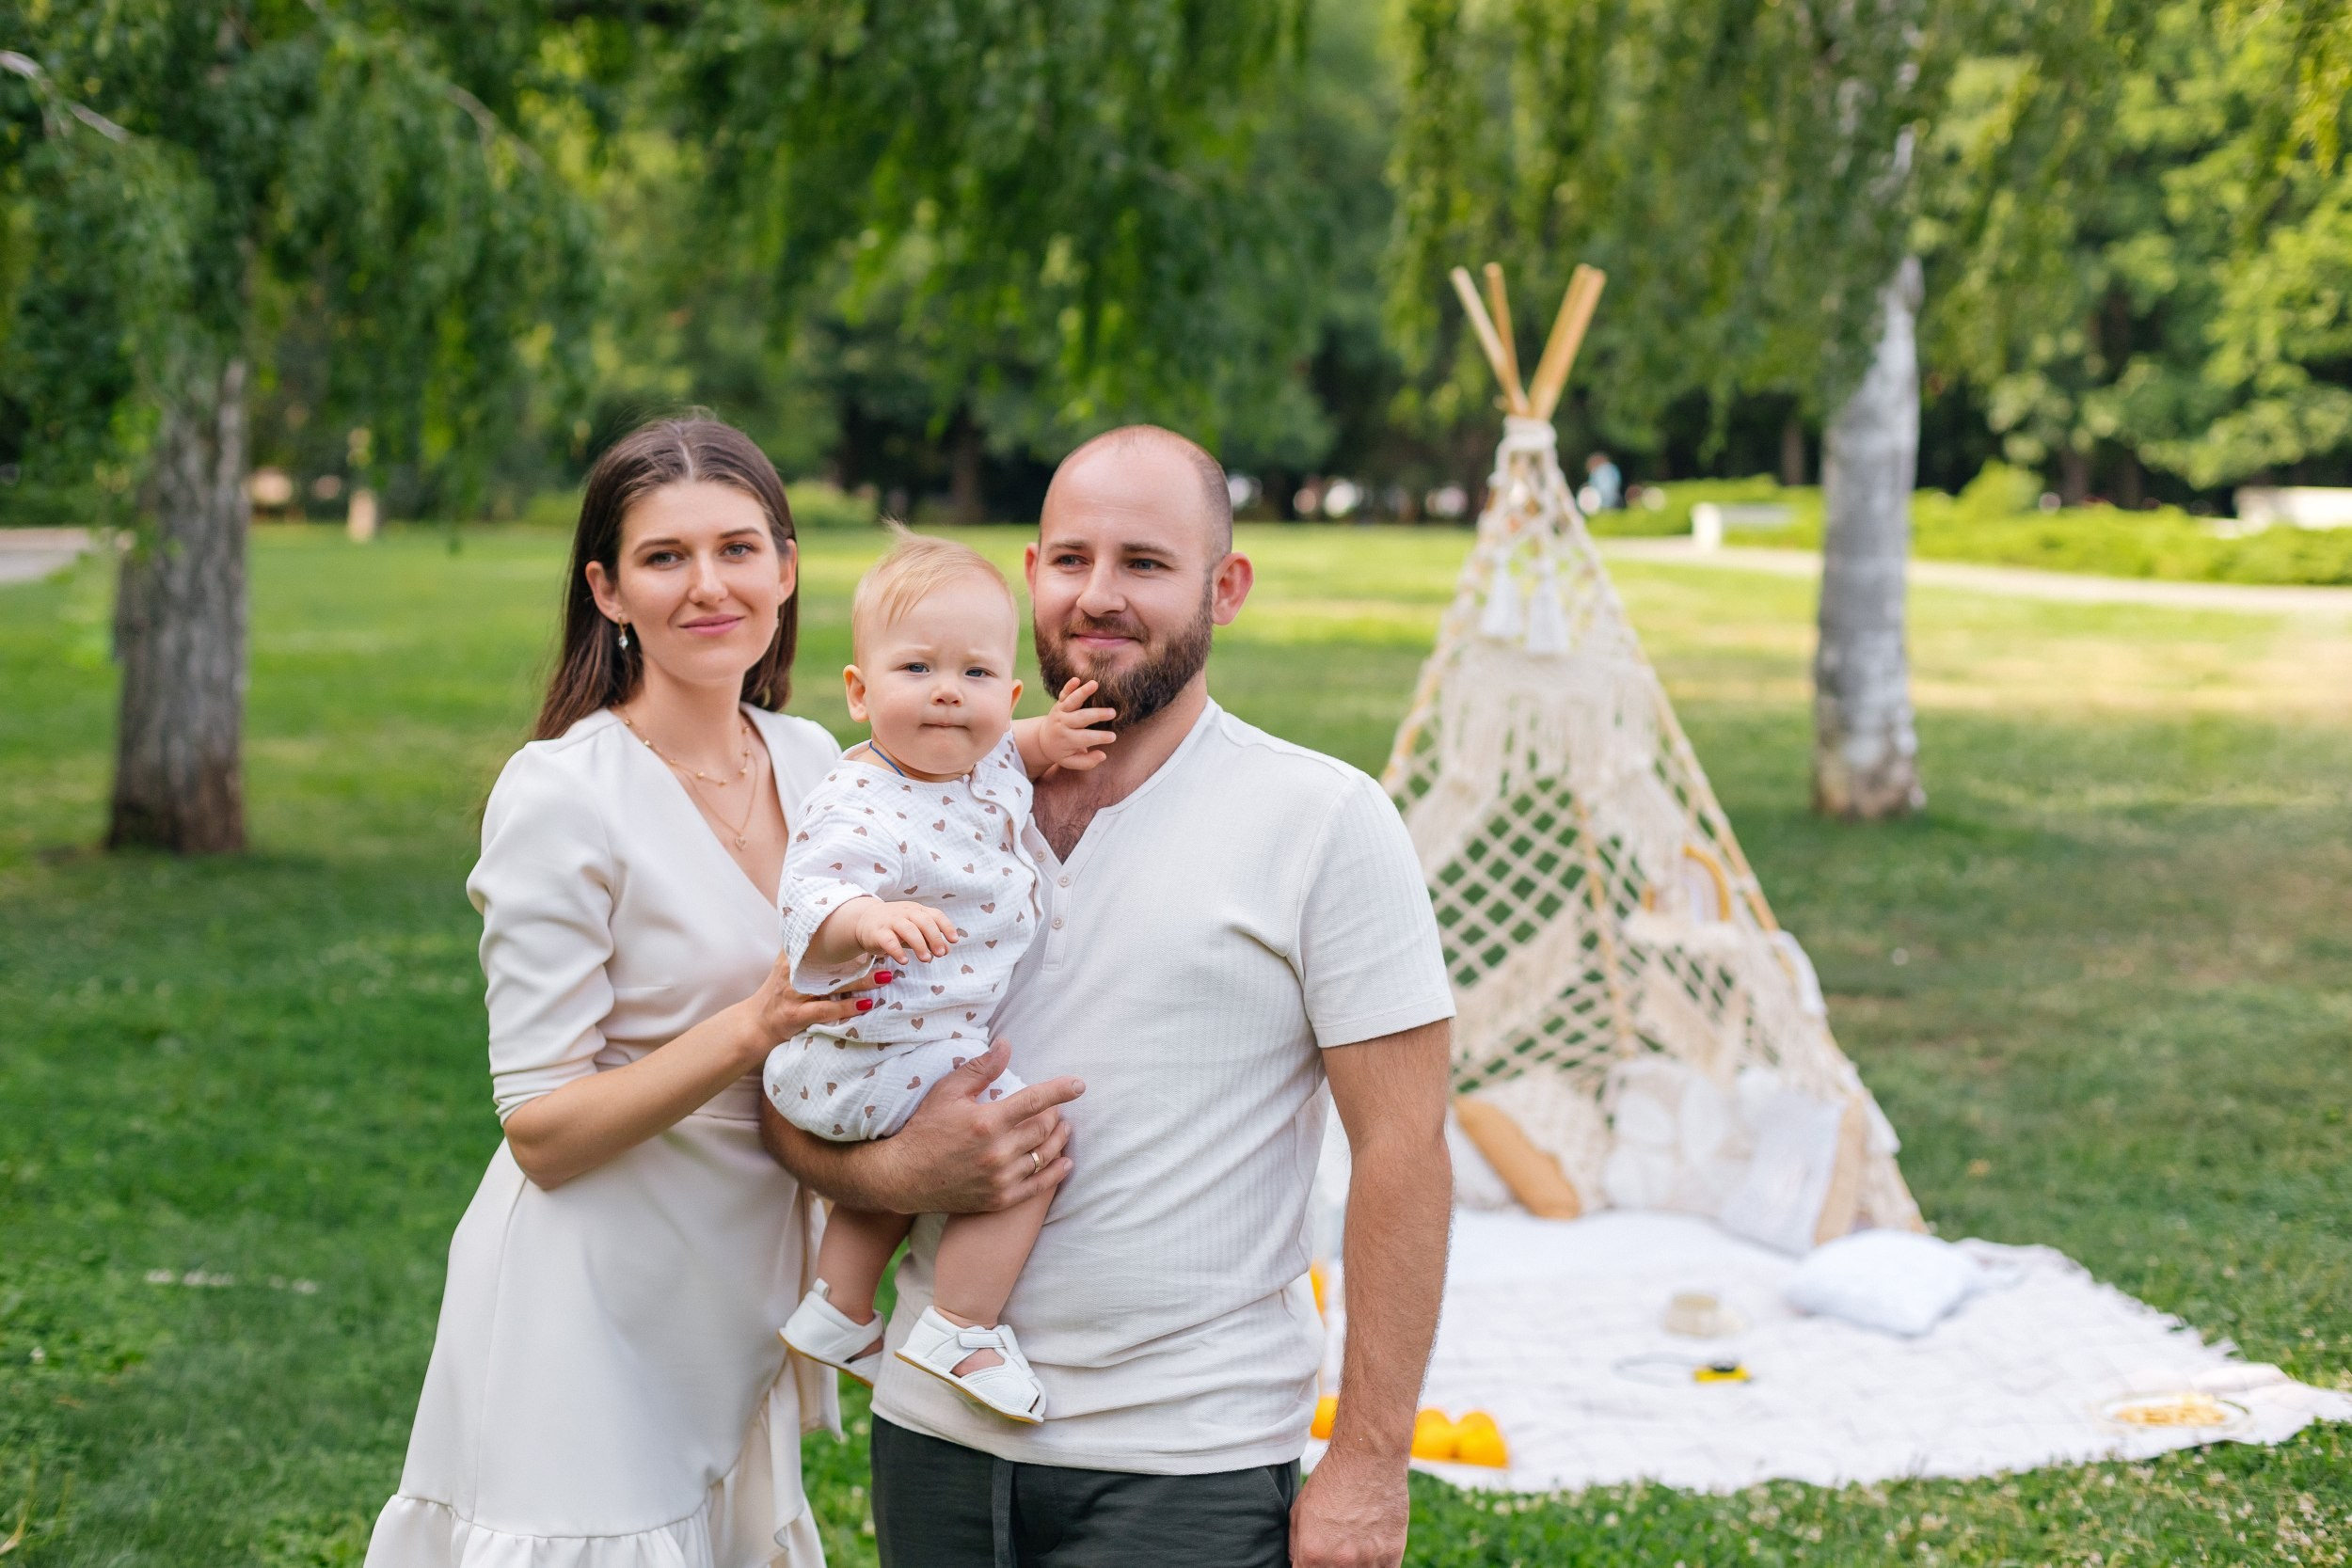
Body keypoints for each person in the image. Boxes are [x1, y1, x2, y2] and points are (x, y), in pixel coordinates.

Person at [367, 418, 1083, 1568]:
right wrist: (750, 1027)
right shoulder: (562, 793)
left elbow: (984, 776)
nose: (710, 585)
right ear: (607, 588)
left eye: (739, 549)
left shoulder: (821, 757)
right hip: (592, 1288)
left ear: (787, 569)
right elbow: (541, 1132)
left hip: (746, 1276)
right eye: (664, 557)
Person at [764, 425, 1456, 1568]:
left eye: (1145, 562)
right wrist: (896, 1174)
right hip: (931, 1431)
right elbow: (793, 1082)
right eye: (1073, 558)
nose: (1100, 595)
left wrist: (1372, 1459)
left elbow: (1404, 1147)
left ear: (1223, 587)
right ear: (1031, 575)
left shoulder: (1321, 819)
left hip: (1185, 1458)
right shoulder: (906, 805)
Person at [770, 533, 1117, 1424]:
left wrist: (1055, 736)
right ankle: (962, 1324)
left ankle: (838, 1308)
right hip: (883, 1050)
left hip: (899, 1054)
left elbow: (1019, 751)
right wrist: (865, 920)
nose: (944, 692)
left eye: (971, 676)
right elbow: (812, 891)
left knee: (923, 1157)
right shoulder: (864, 797)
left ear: (1003, 697)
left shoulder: (980, 757)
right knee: (1024, 1142)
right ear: (858, 691)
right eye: (916, 667)